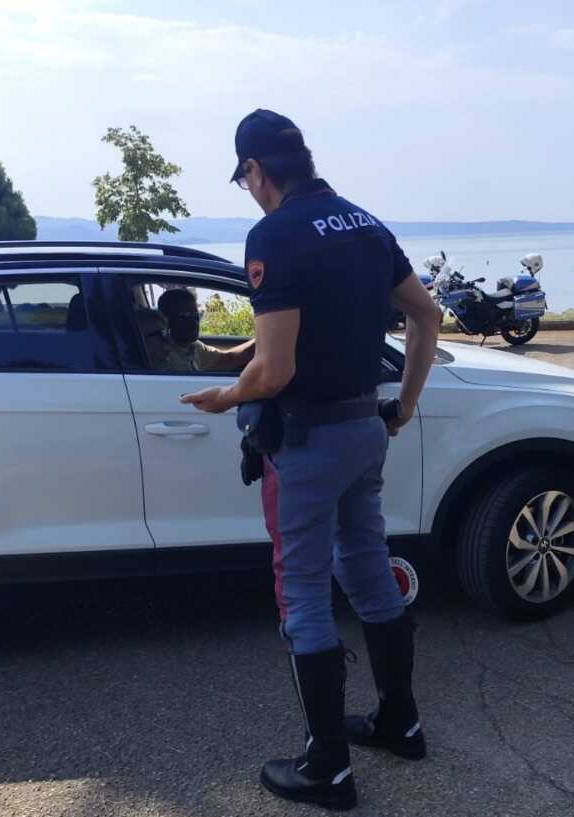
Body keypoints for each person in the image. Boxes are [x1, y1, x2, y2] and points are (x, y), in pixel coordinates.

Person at [180, 109, 441, 811]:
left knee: (301, 592)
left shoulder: (273, 235)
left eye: (245, 180)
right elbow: (427, 314)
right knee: (366, 567)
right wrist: (405, 404)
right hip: (364, 426)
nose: (250, 192)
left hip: (305, 440)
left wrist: (222, 395)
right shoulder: (364, 223)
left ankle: (327, 767)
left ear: (256, 170)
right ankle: (401, 721)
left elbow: (274, 371)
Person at [157, 288, 255, 372]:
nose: (194, 322)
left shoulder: (194, 347)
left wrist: (266, 337)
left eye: (195, 315)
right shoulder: (162, 355)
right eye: (185, 316)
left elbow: (229, 358)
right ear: (166, 320)